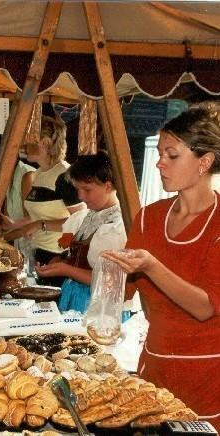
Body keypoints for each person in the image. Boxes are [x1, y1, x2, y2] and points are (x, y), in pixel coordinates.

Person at [104, 103, 220, 429]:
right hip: (153, 368)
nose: (159, 163)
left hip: (206, 378)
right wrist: (110, 274)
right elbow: (124, 292)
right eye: (160, 154)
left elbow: (204, 307)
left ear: (204, 162)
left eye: (171, 155)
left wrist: (152, 267)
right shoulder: (150, 217)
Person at [35, 152, 127, 313]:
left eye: (87, 189)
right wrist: (58, 261)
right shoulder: (85, 217)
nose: (80, 196)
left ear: (108, 185)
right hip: (75, 297)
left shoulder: (118, 226)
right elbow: (77, 256)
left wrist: (66, 269)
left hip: (99, 305)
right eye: (78, 189)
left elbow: (110, 280)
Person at [2, 115, 84, 285]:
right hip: (38, 254)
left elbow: (80, 221)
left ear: (45, 143)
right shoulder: (38, 174)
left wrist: (41, 225)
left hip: (59, 258)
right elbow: (36, 215)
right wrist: (14, 225)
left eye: (28, 140)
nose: (24, 146)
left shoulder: (64, 175)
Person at [0, 132, 36, 222]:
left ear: (5, 160)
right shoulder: (7, 179)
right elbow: (8, 222)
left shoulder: (28, 176)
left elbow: (30, 227)